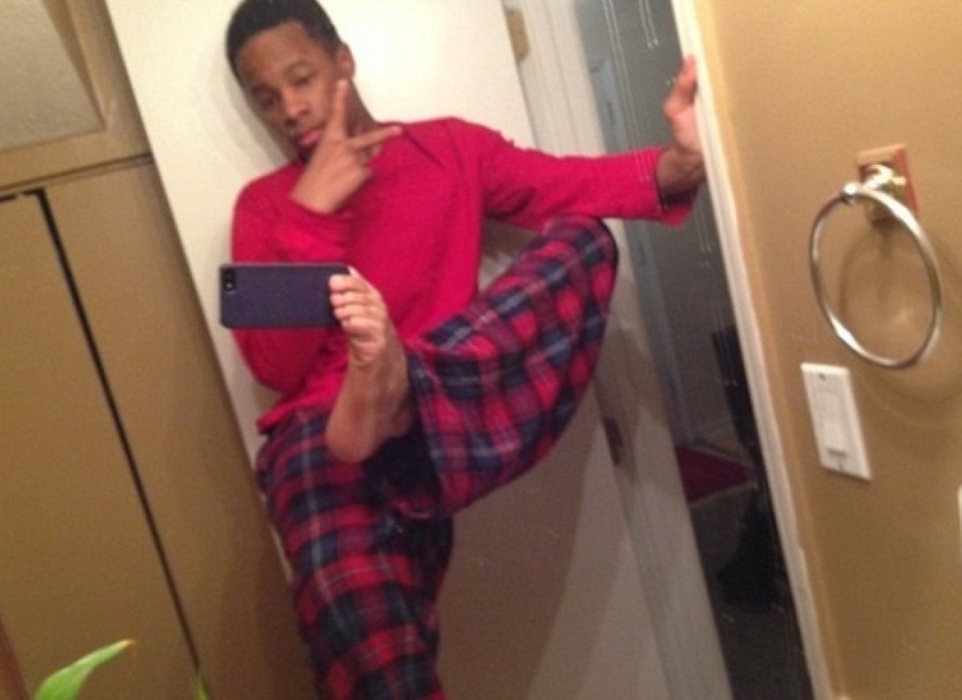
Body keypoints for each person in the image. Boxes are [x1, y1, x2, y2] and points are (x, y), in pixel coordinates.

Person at [224, 1, 705, 697]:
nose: (290, 109)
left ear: (342, 61)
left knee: (583, 238)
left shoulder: (448, 147)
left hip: (446, 407)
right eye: (266, 99)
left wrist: (682, 164)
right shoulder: (261, 205)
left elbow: (569, 184)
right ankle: (390, 389)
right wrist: (311, 214)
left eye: (301, 79)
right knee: (372, 656)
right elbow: (273, 370)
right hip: (324, 442)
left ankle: (403, 384)